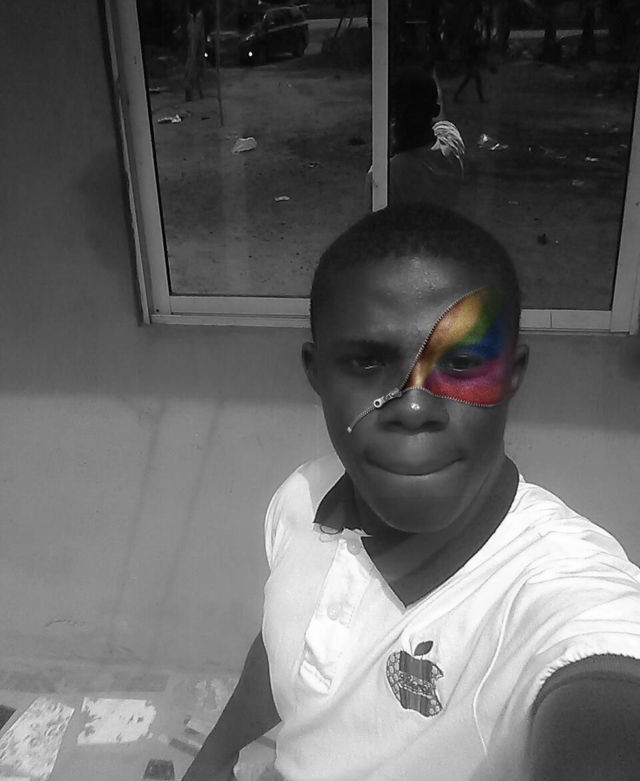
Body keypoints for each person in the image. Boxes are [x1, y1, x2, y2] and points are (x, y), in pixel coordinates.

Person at [183, 203, 640, 781]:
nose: (415, 407)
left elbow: (604, 693)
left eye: (464, 362)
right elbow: (288, 648)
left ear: (512, 373)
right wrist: (216, 755)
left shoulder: (562, 592)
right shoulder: (302, 498)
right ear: (316, 371)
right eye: (367, 362)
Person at [366, 68, 465, 211]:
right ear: (435, 111)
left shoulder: (383, 177)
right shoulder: (452, 145)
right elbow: (442, 125)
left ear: (392, 114)